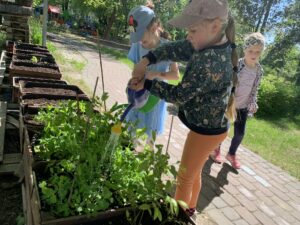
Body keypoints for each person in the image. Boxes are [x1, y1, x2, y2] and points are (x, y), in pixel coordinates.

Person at [129, 0, 237, 216]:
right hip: (211, 127)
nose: (188, 35)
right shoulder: (207, 41)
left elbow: (179, 95)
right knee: (194, 172)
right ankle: (190, 209)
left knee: (184, 176)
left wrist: (148, 83)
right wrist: (148, 58)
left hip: (206, 132)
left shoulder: (210, 62)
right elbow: (177, 47)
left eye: (192, 30)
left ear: (215, 26)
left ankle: (176, 217)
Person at [126, 5, 179, 146]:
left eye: (142, 37)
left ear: (155, 26)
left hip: (156, 96)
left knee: (151, 128)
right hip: (140, 93)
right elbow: (135, 70)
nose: (139, 41)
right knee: (134, 121)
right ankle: (132, 145)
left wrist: (156, 74)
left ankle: (150, 151)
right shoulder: (137, 46)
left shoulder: (168, 48)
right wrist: (135, 79)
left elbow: (175, 75)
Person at [210, 32, 265, 169]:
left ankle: (231, 154)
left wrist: (253, 101)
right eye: (251, 51)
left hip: (243, 107)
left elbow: (254, 89)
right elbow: (228, 82)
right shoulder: (238, 65)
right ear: (245, 50)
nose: (254, 54)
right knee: (223, 131)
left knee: (240, 134)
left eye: (258, 52)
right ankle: (216, 149)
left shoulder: (259, 71)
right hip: (230, 104)